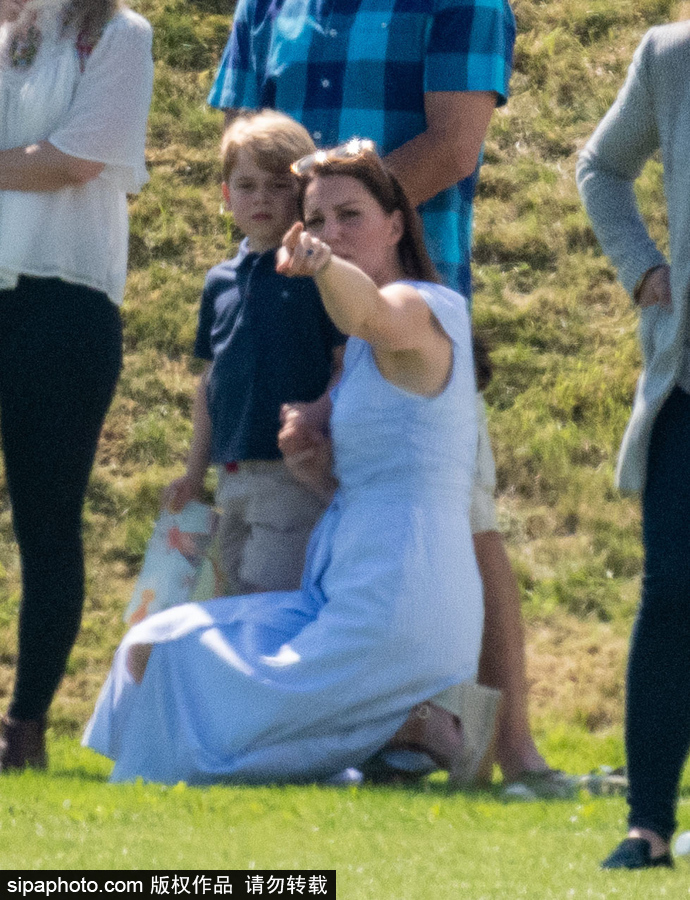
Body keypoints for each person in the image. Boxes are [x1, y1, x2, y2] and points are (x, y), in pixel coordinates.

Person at [207, 0, 565, 790]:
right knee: (300, 502)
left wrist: (331, 237)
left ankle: (510, 748)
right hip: (286, 310)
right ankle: (371, 733)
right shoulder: (265, 7)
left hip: (404, 314)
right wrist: (302, 253)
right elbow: (243, 141)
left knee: (465, 521)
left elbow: (454, 145)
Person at [83, 143, 497, 786]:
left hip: (401, 598)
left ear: (396, 224)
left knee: (185, 679)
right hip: (344, 585)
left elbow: (367, 309)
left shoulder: (422, 308)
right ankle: (398, 730)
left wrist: (322, 264)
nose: (332, 232)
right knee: (151, 643)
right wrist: (317, 473)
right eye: (318, 220)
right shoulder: (358, 351)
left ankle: (408, 724)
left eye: (350, 215)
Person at [0, 0, 153, 771]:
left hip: (62, 301)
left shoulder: (119, 35)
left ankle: (23, 726)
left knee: (47, 521)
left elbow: (73, 159)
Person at [577, 20, 690, 869]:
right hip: (686, 388)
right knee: (673, 592)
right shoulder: (671, 58)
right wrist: (642, 266)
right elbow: (601, 168)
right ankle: (648, 825)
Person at [162, 111, 345, 597]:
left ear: (303, 194)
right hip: (231, 478)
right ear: (226, 195)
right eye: (246, 185)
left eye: (278, 185)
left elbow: (346, 364)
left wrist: (316, 414)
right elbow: (211, 383)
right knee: (226, 606)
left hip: (295, 474)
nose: (261, 198)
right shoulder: (219, 281)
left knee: (268, 604)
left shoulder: (319, 274)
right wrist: (193, 473)